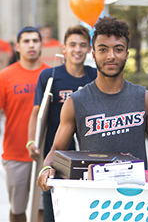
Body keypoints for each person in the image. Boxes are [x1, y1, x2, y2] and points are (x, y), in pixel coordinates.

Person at [37, 16, 148, 196]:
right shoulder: (75, 102)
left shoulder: (146, 99)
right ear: (93, 54)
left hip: (135, 199)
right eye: (103, 49)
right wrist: (46, 168)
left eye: (118, 49)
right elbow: (57, 150)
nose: (111, 56)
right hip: (93, 199)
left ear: (127, 54)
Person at [27, 25, 97, 222]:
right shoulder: (49, 76)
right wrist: (31, 141)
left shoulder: (94, 76)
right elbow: (37, 112)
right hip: (56, 152)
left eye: (83, 45)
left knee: (81, 211)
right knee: (53, 209)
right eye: (72, 44)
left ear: (89, 50)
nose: (77, 49)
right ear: (64, 48)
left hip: (87, 155)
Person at [0, 26, 50, 222]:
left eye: (35, 41)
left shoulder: (51, 74)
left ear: (41, 45)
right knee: (17, 208)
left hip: (46, 154)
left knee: (42, 209)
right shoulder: (4, 76)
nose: (31, 45)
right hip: (15, 153)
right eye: (26, 41)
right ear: (17, 47)